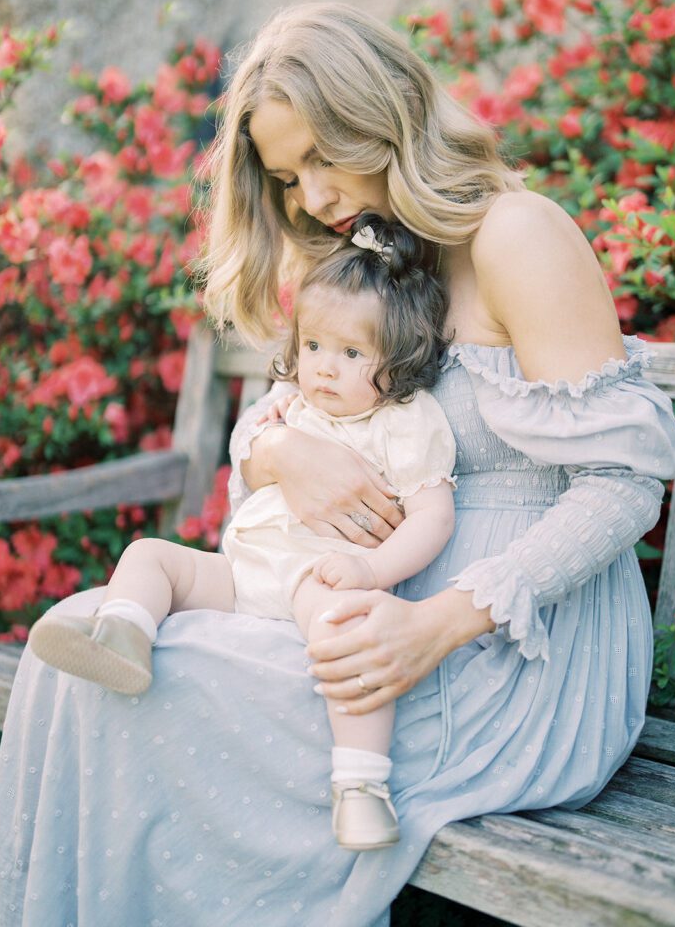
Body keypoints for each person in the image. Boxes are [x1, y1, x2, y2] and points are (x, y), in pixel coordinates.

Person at [0, 2, 675, 927]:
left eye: (318, 158)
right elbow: (275, 431)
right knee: (83, 648)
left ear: (378, 117)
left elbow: (626, 487)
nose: (308, 198)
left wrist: (432, 629)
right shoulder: (383, 258)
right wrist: (279, 451)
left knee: (144, 687)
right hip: (370, 610)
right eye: (285, 176)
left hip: (516, 655)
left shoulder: (518, 235)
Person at [26, 216, 458, 851]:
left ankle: (361, 786)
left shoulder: (405, 421)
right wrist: (277, 426)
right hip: (245, 573)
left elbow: (433, 517)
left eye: (351, 353)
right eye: (313, 346)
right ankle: (123, 634)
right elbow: (252, 450)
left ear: (399, 361)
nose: (325, 370)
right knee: (149, 553)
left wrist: (372, 572)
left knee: (350, 643)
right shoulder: (295, 402)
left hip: (320, 579)